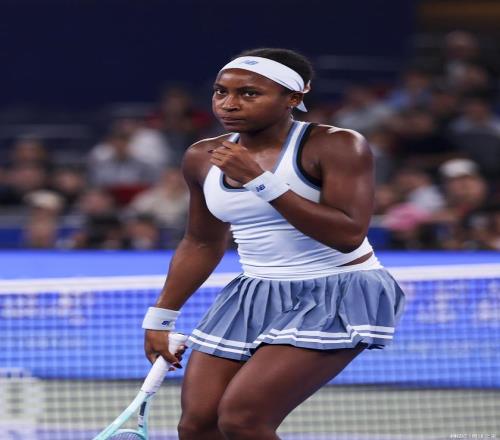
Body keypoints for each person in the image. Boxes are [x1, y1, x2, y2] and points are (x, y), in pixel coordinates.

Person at [142, 48, 406, 440]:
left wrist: (259, 180)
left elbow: (347, 234)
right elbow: (201, 242)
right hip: (253, 295)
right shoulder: (201, 156)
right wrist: (160, 318)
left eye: (249, 93)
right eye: (221, 91)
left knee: (242, 421)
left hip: (337, 292)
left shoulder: (337, 145)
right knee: (198, 425)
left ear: (293, 98)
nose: (229, 103)